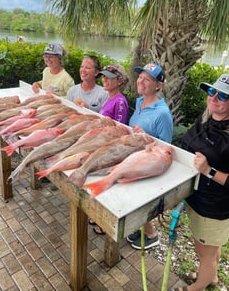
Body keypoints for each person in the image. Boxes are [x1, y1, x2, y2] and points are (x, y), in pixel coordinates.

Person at [170, 74, 229, 291]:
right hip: (195, 196)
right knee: (209, 247)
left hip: (214, 206)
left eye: (223, 95)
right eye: (212, 92)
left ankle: (197, 286)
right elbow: (188, 145)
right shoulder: (206, 118)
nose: (214, 98)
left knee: (205, 251)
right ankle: (211, 276)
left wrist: (208, 170)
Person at [126, 62, 173, 250]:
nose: (141, 82)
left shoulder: (162, 114)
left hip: (148, 164)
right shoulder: (139, 102)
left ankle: (152, 235)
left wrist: (146, 139)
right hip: (135, 157)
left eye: (147, 79)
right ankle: (143, 228)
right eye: (140, 77)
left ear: (158, 85)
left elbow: (166, 149)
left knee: (141, 200)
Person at [89, 64, 129, 234]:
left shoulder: (120, 101)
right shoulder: (108, 97)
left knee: (108, 184)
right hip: (102, 144)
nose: (103, 79)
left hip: (110, 149)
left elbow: (119, 129)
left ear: (119, 81)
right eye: (103, 76)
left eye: (108, 77)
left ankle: (105, 221)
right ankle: (97, 213)